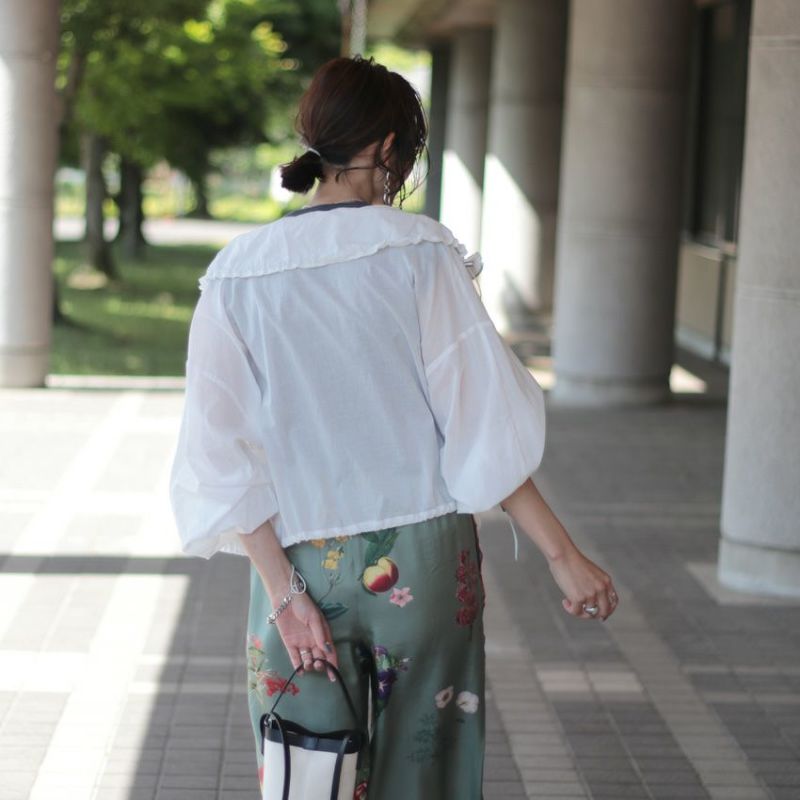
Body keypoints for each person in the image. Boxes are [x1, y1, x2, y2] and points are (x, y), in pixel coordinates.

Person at [168, 54, 619, 800]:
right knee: (425, 775)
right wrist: (563, 556)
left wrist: (285, 595)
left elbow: (219, 456)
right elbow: (480, 424)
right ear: (385, 148)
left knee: (308, 775)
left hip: (298, 563)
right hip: (425, 561)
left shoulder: (236, 274)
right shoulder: (421, 252)